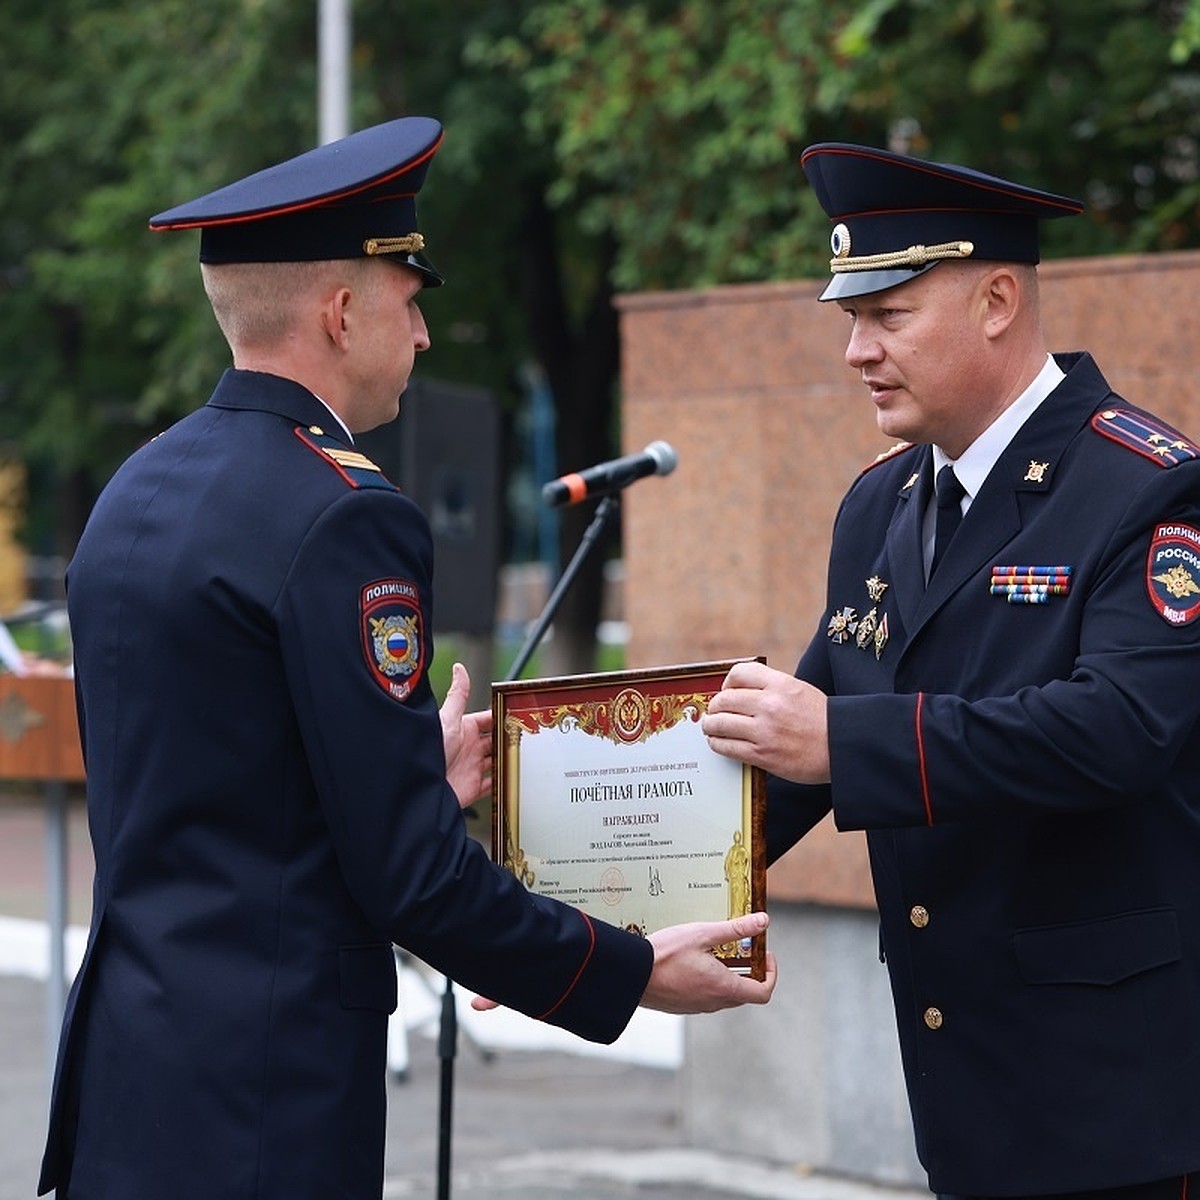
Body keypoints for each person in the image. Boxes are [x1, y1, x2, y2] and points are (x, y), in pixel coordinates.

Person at [39, 116, 776, 1200]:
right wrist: (629, 972)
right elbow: (414, 877)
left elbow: (216, 788)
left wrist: (402, 778)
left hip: (127, 1076)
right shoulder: (345, 517)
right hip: (266, 1103)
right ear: (341, 314)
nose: (424, 336)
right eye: (412, 301)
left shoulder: (133, 491)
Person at [701, 141, 1200, 1200]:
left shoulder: (1145, 490)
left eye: (888, 317)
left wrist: (844, 739)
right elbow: (796, 743)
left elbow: (1116, 729)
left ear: (997, 301)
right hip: (964, 1097)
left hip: (1127, 1113)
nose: (856, 352)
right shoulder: (880, 503)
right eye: (849, 319)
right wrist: (576, 915)